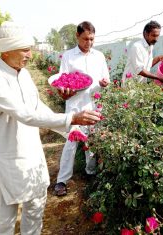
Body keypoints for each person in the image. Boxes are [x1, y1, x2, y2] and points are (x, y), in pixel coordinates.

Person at [0, 21, 101, 235]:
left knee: (35, 209)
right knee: (3, 222)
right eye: (25, 50)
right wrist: (71, 118)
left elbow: (37, 107)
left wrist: (67, 129)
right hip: (5, 159)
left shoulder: (23, 74)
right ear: (7, 50)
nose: (30, 55)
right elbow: (24, 114)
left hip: (32, 153)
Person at [50, 21, 110, 196]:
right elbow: (63, 81)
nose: (89, 43)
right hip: (75, 106)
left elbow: (105, 78)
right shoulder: (68, 56)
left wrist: (104, 83)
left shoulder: (99, 56)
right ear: (77, 36)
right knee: (71, 143)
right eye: (85, 39)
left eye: (92, 39)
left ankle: (90, 172)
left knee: (91, 141)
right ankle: (62, 180)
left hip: (94, 104)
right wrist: (65, 92)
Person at [121, 20, 163, 86]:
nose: (156, 39)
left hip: (140, 86)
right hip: (129, 86)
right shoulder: (137, 47)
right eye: (153, 35)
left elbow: (147, 66)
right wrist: (158, 77)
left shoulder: (150, 46)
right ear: (146, 34)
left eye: (157, 36)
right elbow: (140, 70)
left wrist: (159, 58)